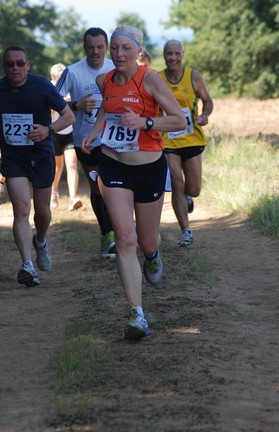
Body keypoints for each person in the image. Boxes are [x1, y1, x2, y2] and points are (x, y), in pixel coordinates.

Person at [81, 26, 186, 340]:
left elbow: (179, 119)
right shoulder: (105, 80)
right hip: (113, 164)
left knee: (145, 241)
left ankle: (152, 255)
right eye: (115, 48)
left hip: (149, 168)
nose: (119, 54)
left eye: (126, 48)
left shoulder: (150, 79)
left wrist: (145, 122)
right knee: (125, 238)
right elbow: (107, 110)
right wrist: (94, 132)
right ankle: (136, 315)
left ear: (137, 50)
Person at [0, 46, 74, 287]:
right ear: (4, 67)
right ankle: (27, 265)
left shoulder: (43, 86)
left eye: (20, 63)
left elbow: (69, 116)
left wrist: (48, 130)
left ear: (28, 65)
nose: (15, 68)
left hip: (42, 156)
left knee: (42, 213)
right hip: (14, 159)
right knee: (21, 209)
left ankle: (40, 241)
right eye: (10, 64)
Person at [55, 27, 116, 259]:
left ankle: (118, 232)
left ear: (106, 47)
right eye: (91, 47)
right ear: (84, 48)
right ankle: (106, 235)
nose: (95, 52)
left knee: (115, 187)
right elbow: (52, 100)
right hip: (85, 141)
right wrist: (75, 105)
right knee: (98, 188)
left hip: (114, 140)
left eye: (100, 47)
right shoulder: (72, 72)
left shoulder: (115, 68)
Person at [159, 39, 213, 247]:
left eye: (177, 53)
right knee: (176, 184)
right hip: (168, 138)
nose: (173, 57)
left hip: (192, 137)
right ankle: (186, 230)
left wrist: (205, 114)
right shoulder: (157, 78)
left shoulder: (194, 76)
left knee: (194, 188)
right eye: (169, 53)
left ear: (182, 55)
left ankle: (189, 197)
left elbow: (207, 100)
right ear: (164, 56)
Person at [50, 63, 82, 211]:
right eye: (59, 78)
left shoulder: (70, 89)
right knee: (57, 167)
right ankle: (54, 193)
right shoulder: (50, 89)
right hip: (54, 133)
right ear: (54, 77)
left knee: (71, 164)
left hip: (69, 132)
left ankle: (73, 198)